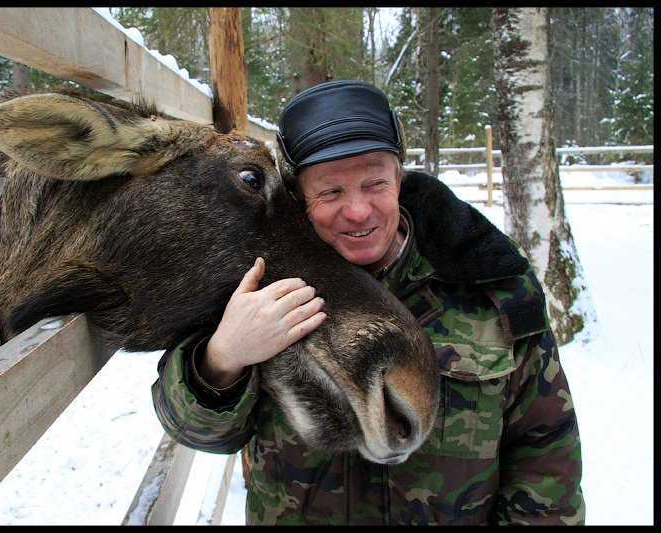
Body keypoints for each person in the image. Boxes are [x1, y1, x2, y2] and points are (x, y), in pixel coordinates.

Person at [152, 80, 585, 525]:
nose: (358, 211)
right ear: (298, 198)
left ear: (400, 178)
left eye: (375, 183)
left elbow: (547, 458)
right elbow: (196, 432)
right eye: (331, 192)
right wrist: (224, 356)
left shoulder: (488, 286)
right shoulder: (256, 281)